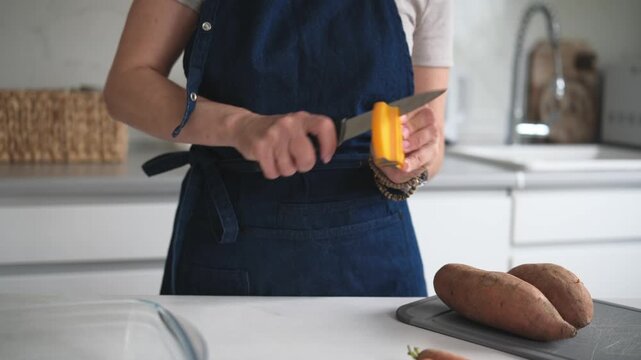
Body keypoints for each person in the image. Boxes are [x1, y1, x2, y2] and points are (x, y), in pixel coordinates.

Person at [104, 0, 452, 296]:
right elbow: (127, 85)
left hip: (376, 259)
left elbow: (429, 146)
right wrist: (240, 127)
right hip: (229, 245)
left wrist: (408, 163)